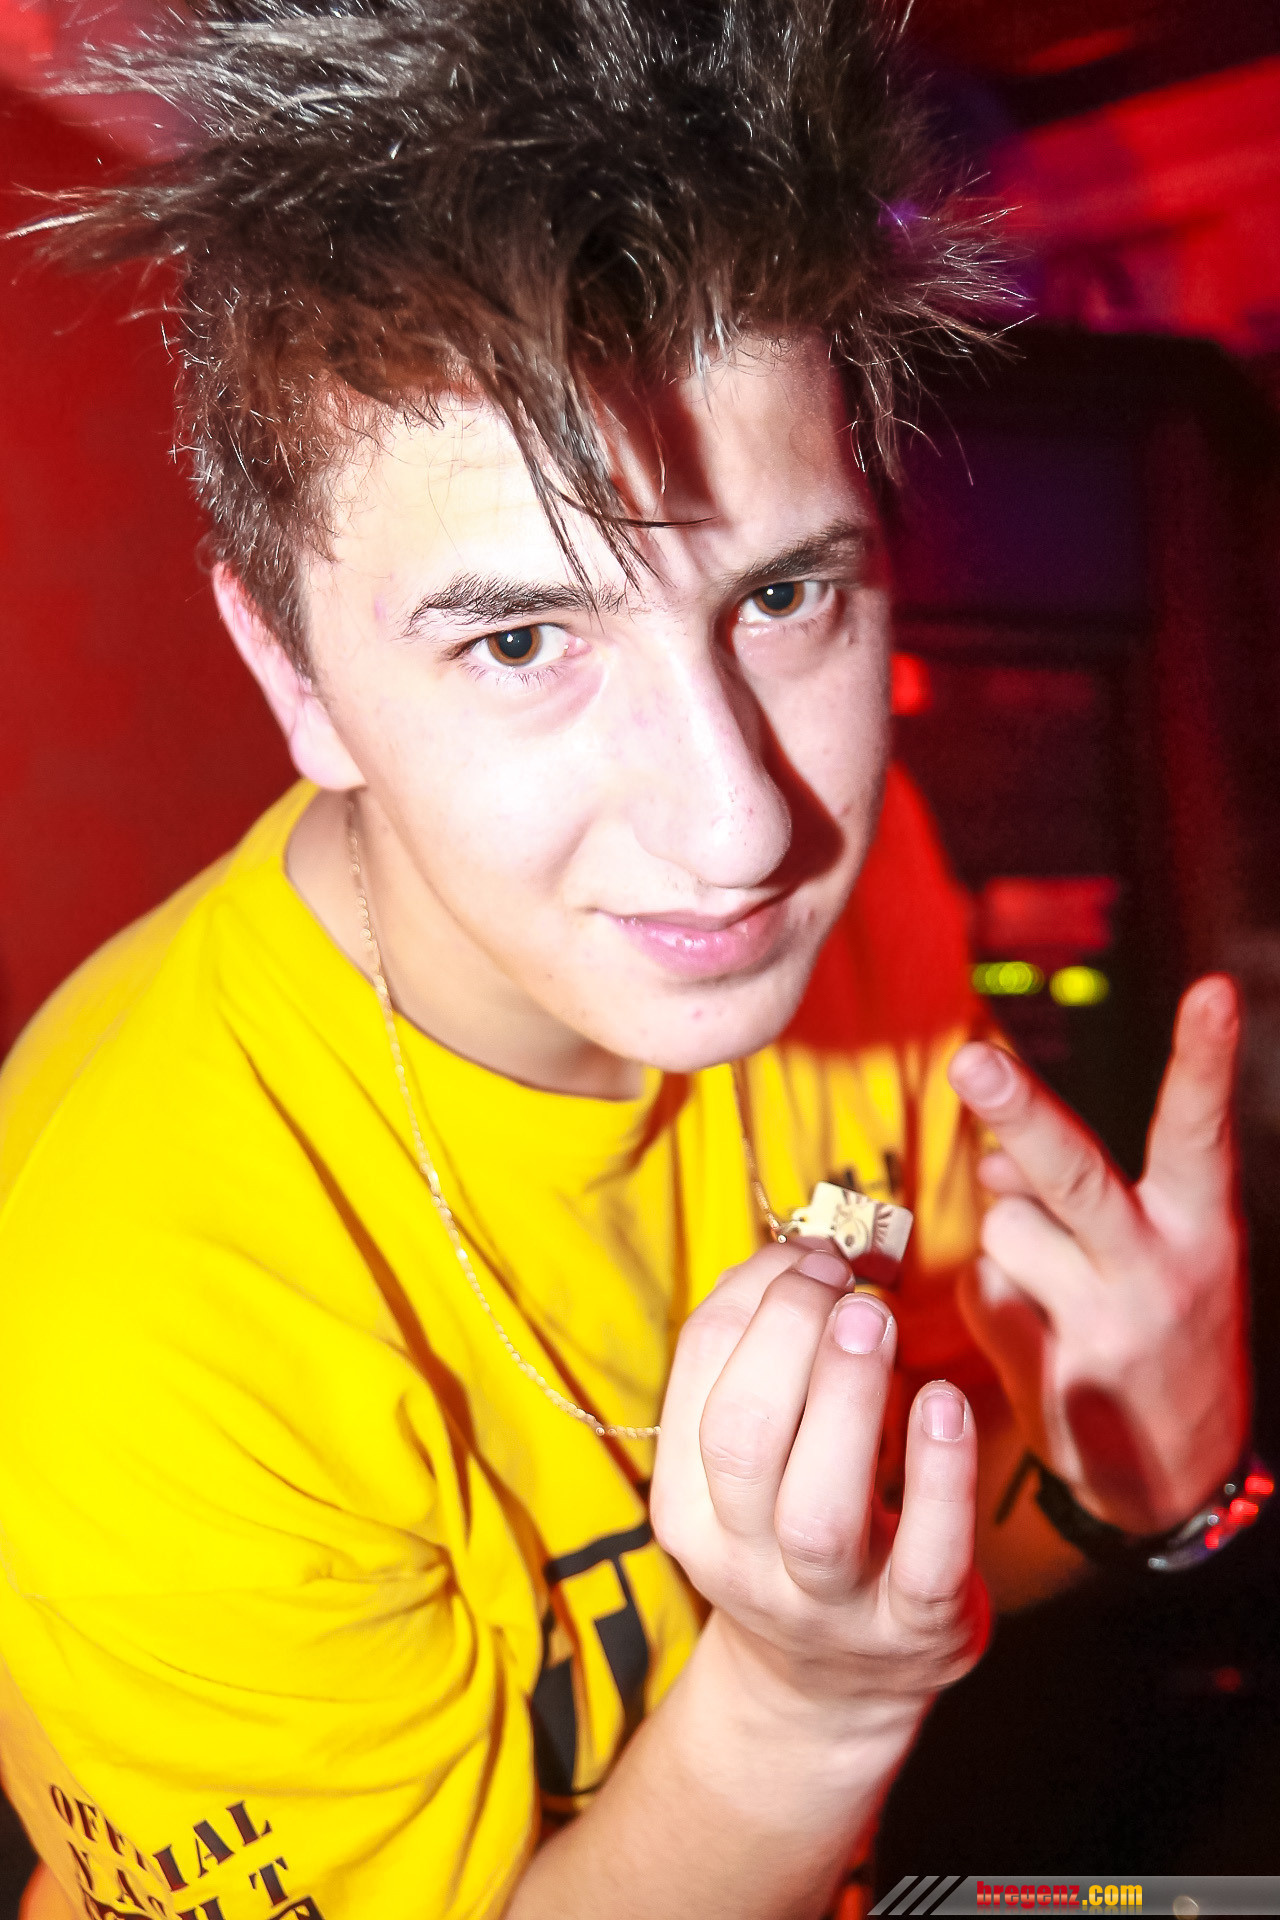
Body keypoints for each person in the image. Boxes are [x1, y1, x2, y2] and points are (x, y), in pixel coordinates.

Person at [0, 3, 1254, 1917]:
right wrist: (803, 1712)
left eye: (786, 595)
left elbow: (900, 1557)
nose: (743, 831)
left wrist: (1129, 1472)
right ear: (288, 669)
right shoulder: (127, 1292)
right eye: (521, 642)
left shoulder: (856, 873)